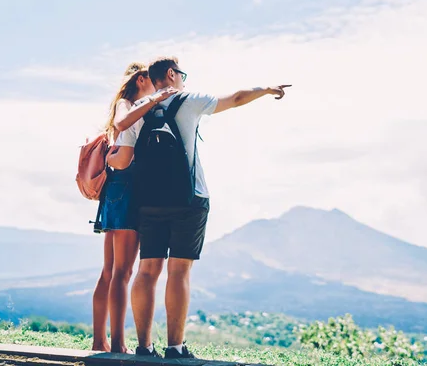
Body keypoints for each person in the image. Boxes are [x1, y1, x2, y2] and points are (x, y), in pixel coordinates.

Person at [112, 55, 291, 359]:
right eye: (182, 74)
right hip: (189, 198)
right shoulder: (188, 100)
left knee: (147, 270)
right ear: (172, 74)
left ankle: (144, 347)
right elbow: (234, 98)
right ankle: (175, 347)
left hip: (148, 201)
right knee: (179, 271)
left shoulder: (137, 111)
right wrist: (265, 89)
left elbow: (124, 160)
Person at [91, 62, 175, 353]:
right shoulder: (130, 104)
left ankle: (100, 339)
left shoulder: (129, 104)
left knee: (109, 271)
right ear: (142, 80)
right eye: (151, 81)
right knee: (122, 272)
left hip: (116, 189)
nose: (155, 86)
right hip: (128, 189)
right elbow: (124, 154)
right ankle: (116, 344)